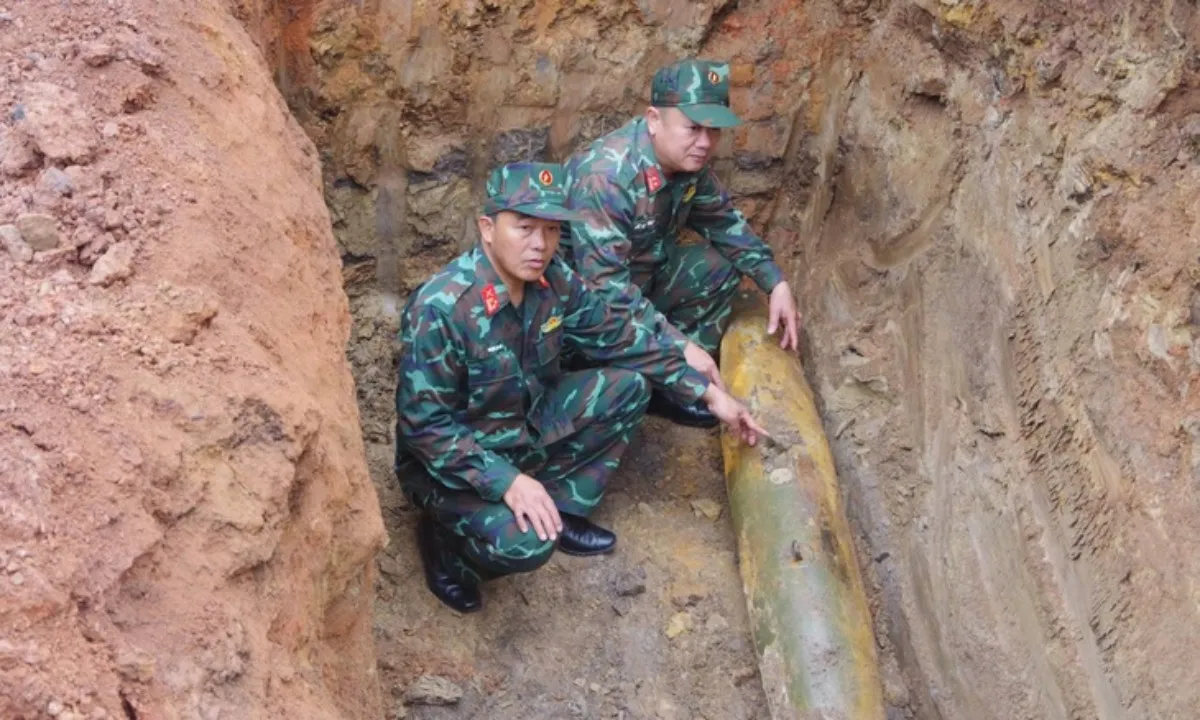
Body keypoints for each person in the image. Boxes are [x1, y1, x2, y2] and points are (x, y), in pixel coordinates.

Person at [394, 161, 769, 613]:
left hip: (524, 425)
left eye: (552, 230)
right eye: (525, 227)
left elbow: (619, 337)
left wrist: (709, 394)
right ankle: (448, 547)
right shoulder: (441, 309)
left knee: (630, 387)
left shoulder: (554, 279)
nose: (540, 244)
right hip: (455, 463)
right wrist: (506, 481)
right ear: (488, 228)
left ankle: (559, 503)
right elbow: (425, 428)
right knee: (528, 545)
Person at [560, 58, 802, 428]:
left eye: (713, 130)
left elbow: (723, 223)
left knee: (719, 267)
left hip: (640, 282)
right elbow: (605, 292)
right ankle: (654, 374)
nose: (705, 143)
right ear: (654, 120)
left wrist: (776, 281)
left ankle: (671, 388)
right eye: (692, 128)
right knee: (624, 350)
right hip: (581, 316)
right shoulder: (607, 179)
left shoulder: (686, 162)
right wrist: (681, 347)